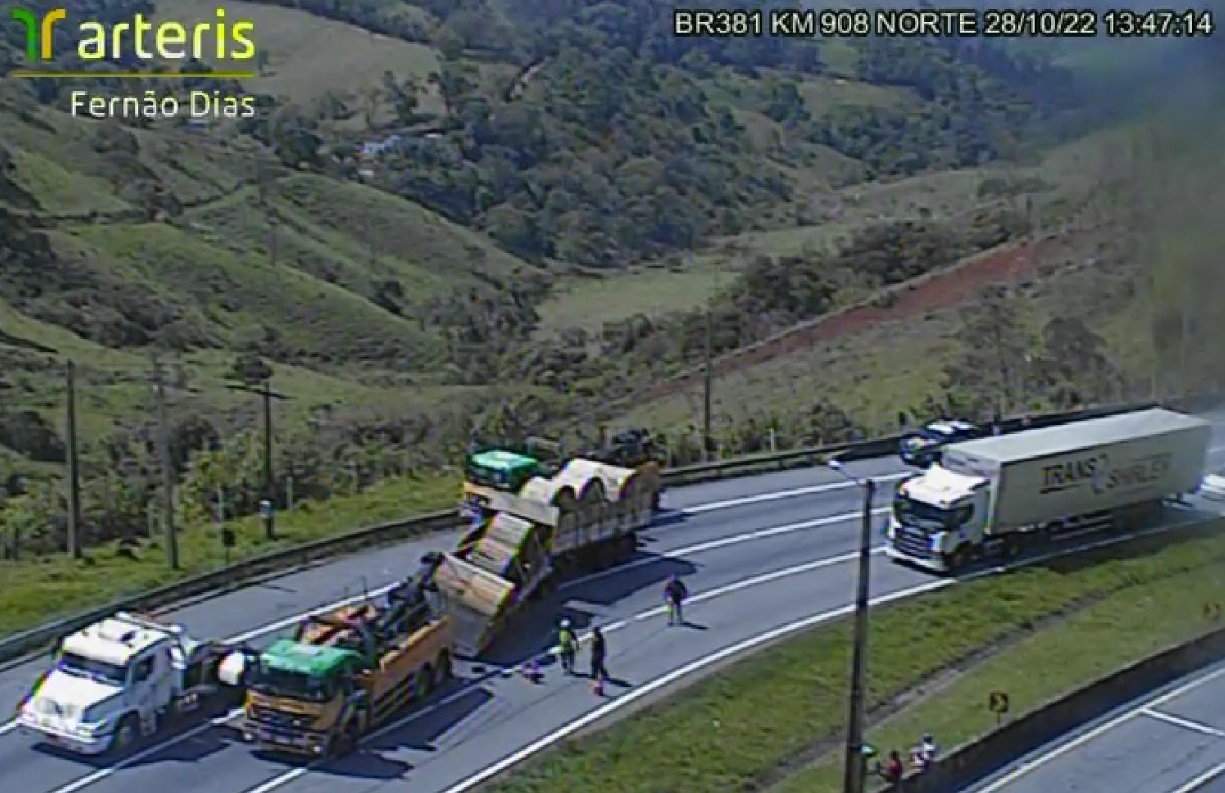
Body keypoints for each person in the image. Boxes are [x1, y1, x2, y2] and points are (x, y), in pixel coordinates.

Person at [589, 626, 609, 692]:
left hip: (597, 656)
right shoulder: (599, 637)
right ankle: (603, 675)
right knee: (599, 668)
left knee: (596, 671)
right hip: (598, 655)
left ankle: (599, 687)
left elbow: (595, 648)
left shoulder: (597, 639)